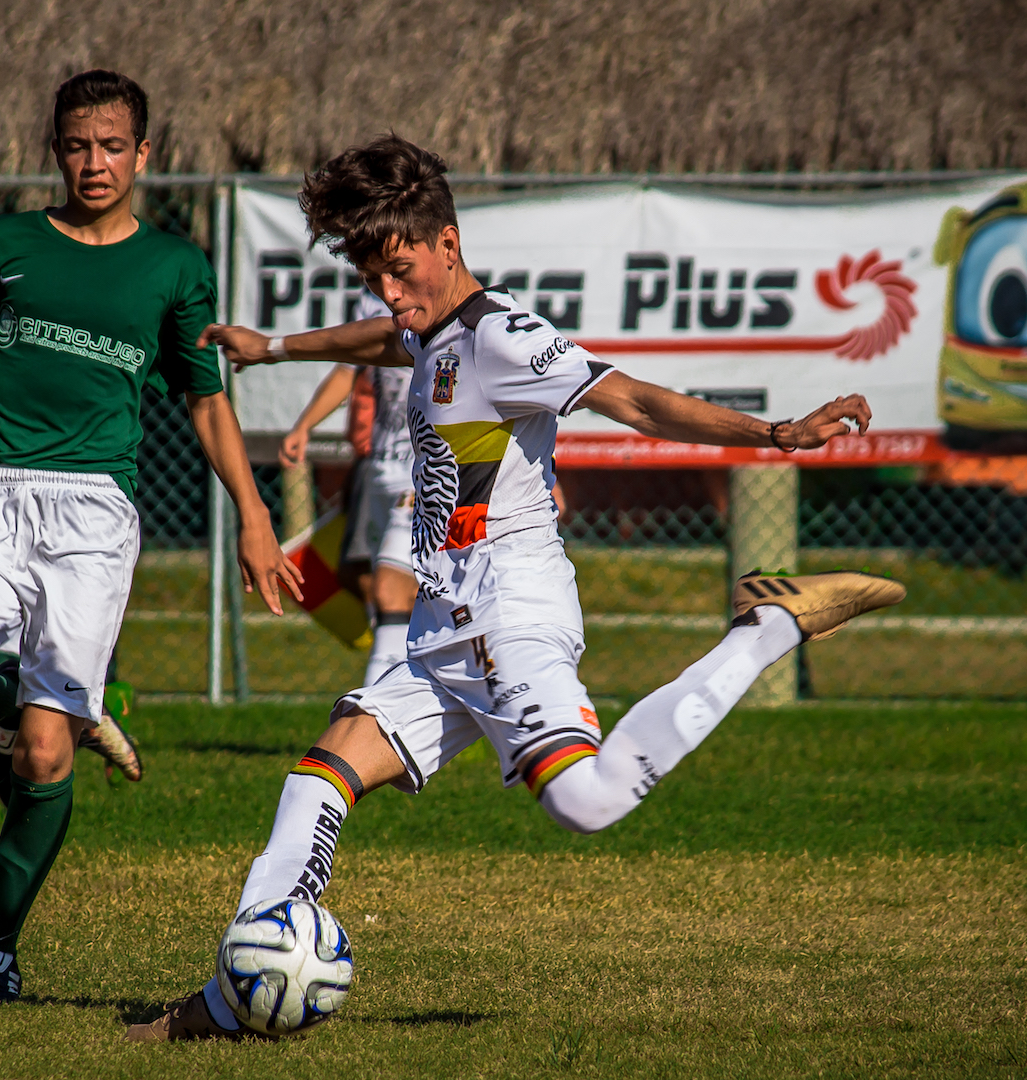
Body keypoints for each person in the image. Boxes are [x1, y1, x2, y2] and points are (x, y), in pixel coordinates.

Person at [125, 134, 905, 1040]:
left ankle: (769, 626)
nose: (389, 292)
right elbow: (392, 338)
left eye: (402, 268)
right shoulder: (431, 329)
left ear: (447, 244)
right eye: (375, 273)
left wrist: (773, 435)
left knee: (587, 801)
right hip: (438, 633)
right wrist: (278, 347)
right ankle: (226, 1002)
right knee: (316, 782)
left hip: (510, 621)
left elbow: (634, 401)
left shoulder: (503, 336)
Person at [0, 70, 303, 1003]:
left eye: (112, 146)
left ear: (144, 155)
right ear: (56, 150)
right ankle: (29, 701)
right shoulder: (0, 244)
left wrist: (251, 515)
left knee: (45, 758)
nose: (94, 163)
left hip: (93, 517)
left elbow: (206, 404)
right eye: (78, 146)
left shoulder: (174, 267)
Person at [279, 290, 415, 684]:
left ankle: (378, 705)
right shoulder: (373, 302)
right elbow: (346, 369)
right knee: (359, 575)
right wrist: (305, 426)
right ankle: (407, 672)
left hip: (424, 472)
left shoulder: (445, 297)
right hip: (379, 464)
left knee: (392, 587)